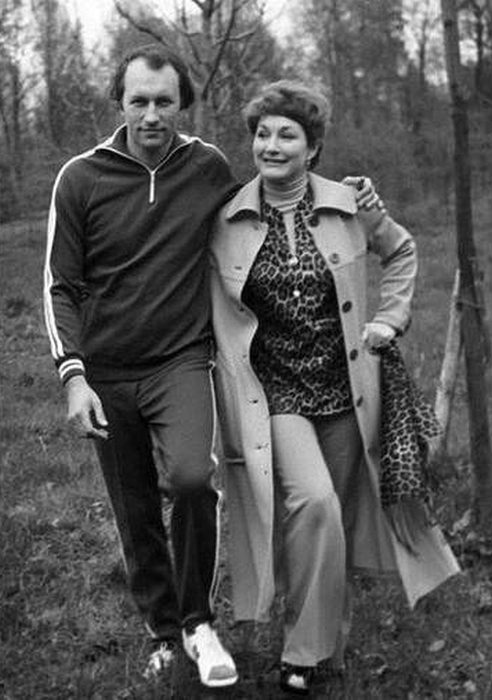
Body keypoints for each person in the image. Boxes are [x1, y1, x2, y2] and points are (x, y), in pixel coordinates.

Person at [42, 45, 376, 689]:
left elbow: (270, 198)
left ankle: (198, 621)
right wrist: (74, 376)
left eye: (164, 101)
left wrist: (349, 192)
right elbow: (59, 284)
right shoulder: (79, 178)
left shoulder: (206, 167)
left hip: (181, 359)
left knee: (194, 480)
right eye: (139, 100)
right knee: (135, 506)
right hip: (106, 371)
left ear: (183, 104)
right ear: (120, 102)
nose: (151, 114)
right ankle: (163, 632)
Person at [209, 81, 460, 695]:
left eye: (286, 134)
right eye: (262, 134)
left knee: (336, 520)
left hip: (347, 388)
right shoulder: (227, 218)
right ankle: (303, 650)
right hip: (277, 392)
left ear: (312, 147)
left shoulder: (350, 203)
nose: (271, 145)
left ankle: (323, 650)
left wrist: (390, 319)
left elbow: (401, 252)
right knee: (314, 503)